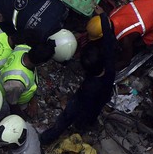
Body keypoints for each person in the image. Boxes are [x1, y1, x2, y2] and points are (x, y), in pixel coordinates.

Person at [41, 14, 115, 144]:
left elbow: (76, 106)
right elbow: (108, 38)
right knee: (93, 112)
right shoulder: (109, 64)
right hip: (104, 96)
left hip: (89, 100)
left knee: (69, 116)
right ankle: (86, 124)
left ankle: (48, 137)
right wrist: (103, 16)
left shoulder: (89, 87)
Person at [0, 41, 55, 110]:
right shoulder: (16, 83)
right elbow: (12, 102)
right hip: (1, 97)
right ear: (41, 63)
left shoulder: (22, 48)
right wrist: (21, 116)